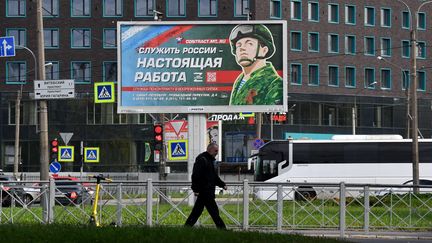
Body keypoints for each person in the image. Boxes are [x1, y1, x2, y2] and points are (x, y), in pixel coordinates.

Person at [228, 24, 283, 105]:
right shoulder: (239, 81)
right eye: (238, 45)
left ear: (264, 51)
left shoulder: (275, 84)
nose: (242, 48)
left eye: (249, 43)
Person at [185, 143, 227, 229]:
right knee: (213, 211)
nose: (217, 152)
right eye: (216, 151)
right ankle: (223, 229)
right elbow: (195, 175)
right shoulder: (202, 159)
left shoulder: (209, 160)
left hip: (206, 191)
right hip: (205, 191)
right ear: (210, 149)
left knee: (197, 212)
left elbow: (214, 176)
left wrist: (222, 184)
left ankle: (186, 228)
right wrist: (195, 189)